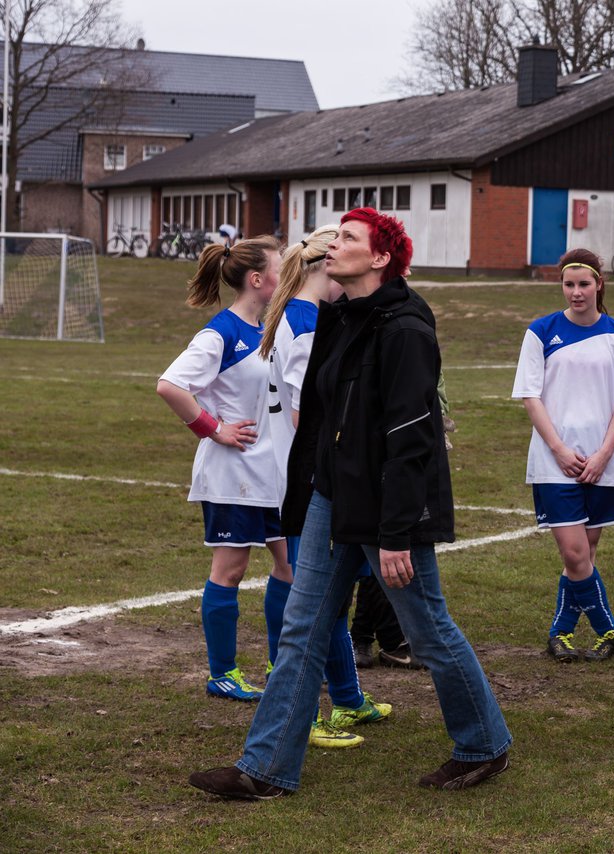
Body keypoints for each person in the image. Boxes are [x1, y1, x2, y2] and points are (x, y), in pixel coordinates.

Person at [189, 208, 511, 799]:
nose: (333, 245)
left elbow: (412, 440)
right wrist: (306, 490)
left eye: (348, 238)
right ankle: (265, 770)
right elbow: (319, 415)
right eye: (335, 236)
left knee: (428, 628)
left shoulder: (407, 329)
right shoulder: (339, 317)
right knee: (302, 629)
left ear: (381, 257)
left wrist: (394, 534)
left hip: (389, 509)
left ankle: (484, 744)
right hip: (331, 499)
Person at [257, 226, 391, 749]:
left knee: (325, 593)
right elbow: (305, 415)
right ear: (322, 268)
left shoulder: (295, 313)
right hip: (306, 474)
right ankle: (305, 711)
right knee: (304, 593)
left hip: (298, 470)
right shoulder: (308, 322)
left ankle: (349, 699)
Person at [157, 236, 288, 702]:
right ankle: (222, 673)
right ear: (258, 279)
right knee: (230, 570)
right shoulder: (221, 333)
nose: (285, 273)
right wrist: (215, 429)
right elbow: (170, 385)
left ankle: (281, 666)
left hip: (273, 475)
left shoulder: (268, 330)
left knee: (290, 566)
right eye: (279, 266)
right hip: (233, 474)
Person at [512, 249, 614, 663]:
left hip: (601, 462)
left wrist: (604, 454)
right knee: (573, 553)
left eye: (584, 284)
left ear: (599, 284)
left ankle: (561, 631)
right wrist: (558, 449)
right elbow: (530, 397)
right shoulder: (540, 331)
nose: (576, 292)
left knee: (584, 554)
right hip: (555, 461)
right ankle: (608, 628)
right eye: (569, 284)